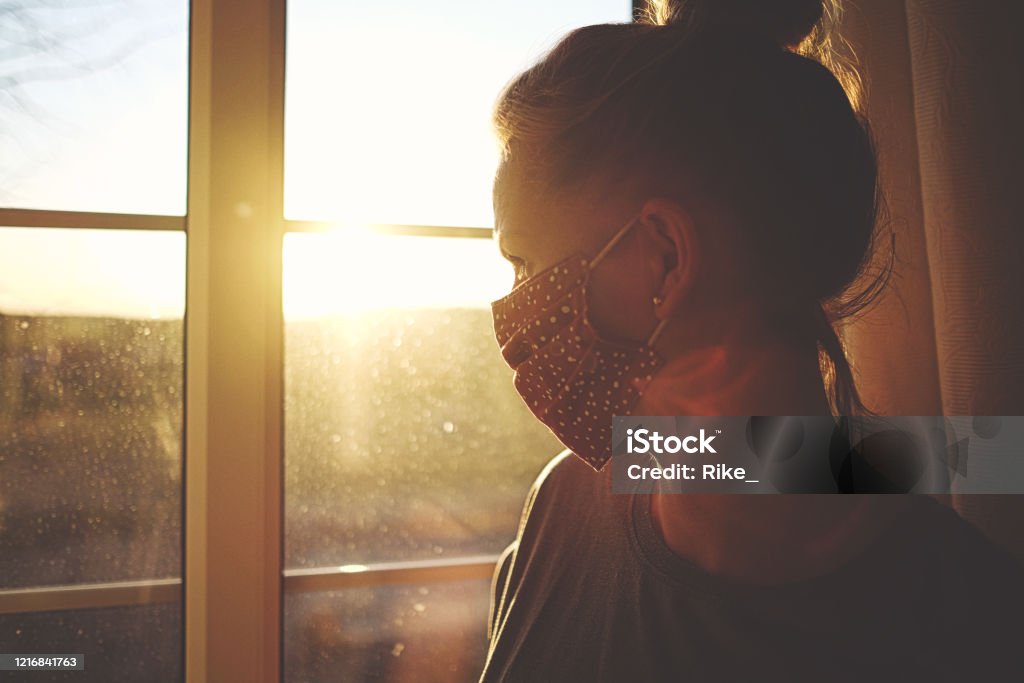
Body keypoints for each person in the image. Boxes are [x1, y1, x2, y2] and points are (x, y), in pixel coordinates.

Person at [479, 1, 1024, 681]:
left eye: (524, 262)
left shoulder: (980, 629)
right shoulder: (562, 508)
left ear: (666, 259)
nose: (512, 308)